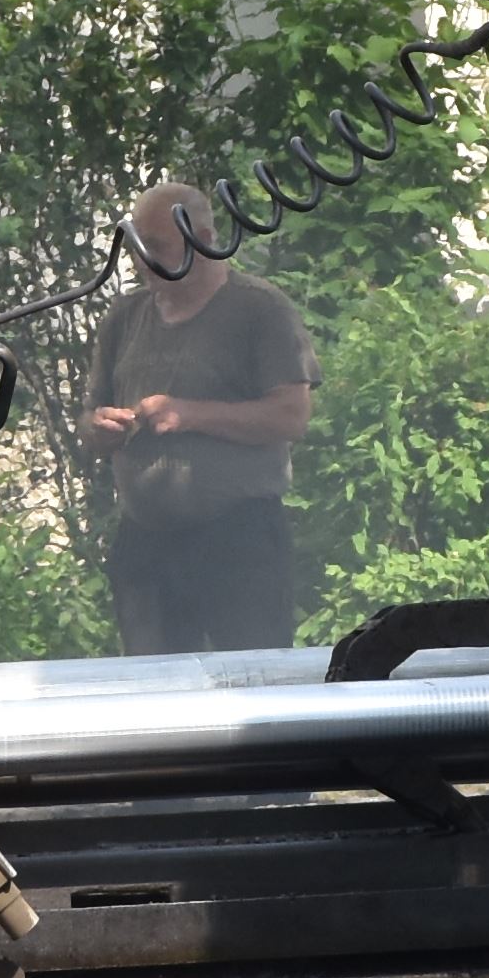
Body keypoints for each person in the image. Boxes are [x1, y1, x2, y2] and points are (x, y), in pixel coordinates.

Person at [79, 184, 314, 657]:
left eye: (158, 248)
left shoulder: (259, 309)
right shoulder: (126, 315)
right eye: (138, 249)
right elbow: (87, 423)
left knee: (256, 681)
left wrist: (188, 414)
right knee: (155, 693)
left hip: (239, 540)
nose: (144, 261)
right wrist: (99, 428)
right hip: (145, 542)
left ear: (203, 237)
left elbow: (291, 416)